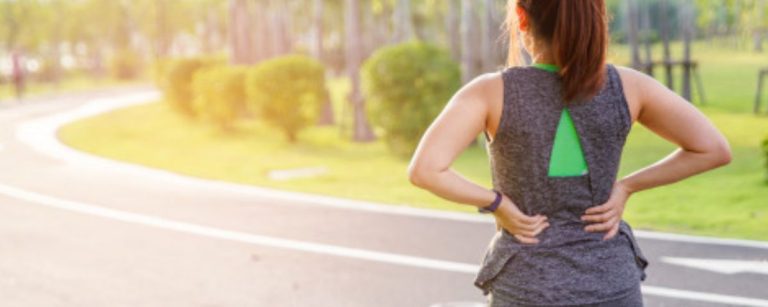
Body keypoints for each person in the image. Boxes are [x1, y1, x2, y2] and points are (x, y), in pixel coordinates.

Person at [407, 0, 731, 306]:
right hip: (612, 283)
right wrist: (626, 186)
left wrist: (496, 203)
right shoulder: (629, 87)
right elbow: (712, 148)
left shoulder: (491, 91)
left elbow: (425, 170)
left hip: (528, 284)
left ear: (522, 17)